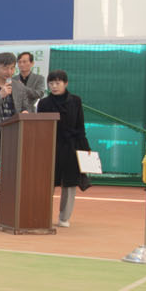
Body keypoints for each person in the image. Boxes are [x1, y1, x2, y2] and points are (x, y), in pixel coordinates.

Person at [0, 51, 42, 225]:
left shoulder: (19, 86)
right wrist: (0, 96)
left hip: (13, 135)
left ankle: (11, 209)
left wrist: (26, 111)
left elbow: (28, 105)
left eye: (12, 68)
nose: (9, 72)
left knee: (14, 174)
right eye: (5, 68)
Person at [36, 71, 91, 228]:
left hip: (71, 147)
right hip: (50, 147)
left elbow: (80, 126)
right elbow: (40, 128)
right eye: (51, 83)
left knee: (70, 184)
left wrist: (85, 147)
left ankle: (64, 217)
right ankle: (43, 215)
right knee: (47, 183)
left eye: (58, 83)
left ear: (66, 83)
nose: (54, 86)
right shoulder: (44, 103)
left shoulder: (76, 101)